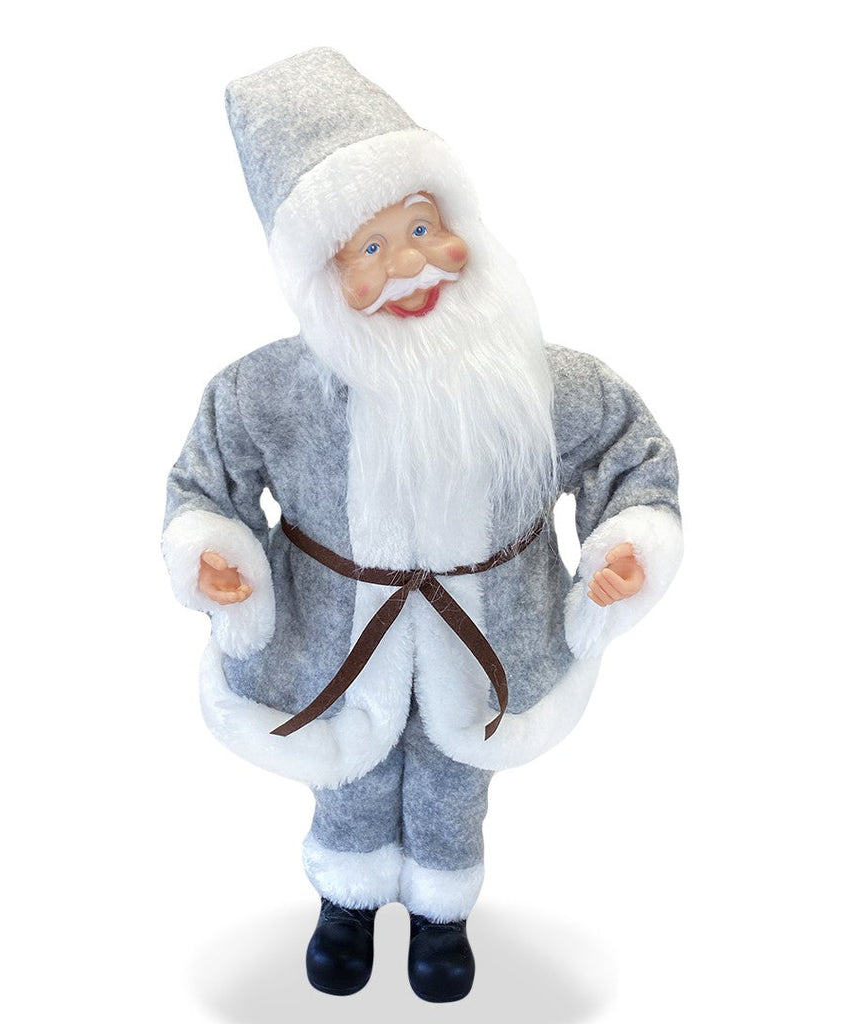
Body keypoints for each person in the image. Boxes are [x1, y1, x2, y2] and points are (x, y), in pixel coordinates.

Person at [163, 47, 682, 1003]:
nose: (407, 267)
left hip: (484, 633)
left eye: (419, 227)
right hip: (337, 636)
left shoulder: (539, 382)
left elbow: (629, 457)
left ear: (460, 226)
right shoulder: (267, 390)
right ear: (321, 277)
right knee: (349, 771)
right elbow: (207, 482)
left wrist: (623, 550)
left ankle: (444, 913)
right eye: (368, 251)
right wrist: (214, 557)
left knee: (455, 775)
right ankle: (347, 900)